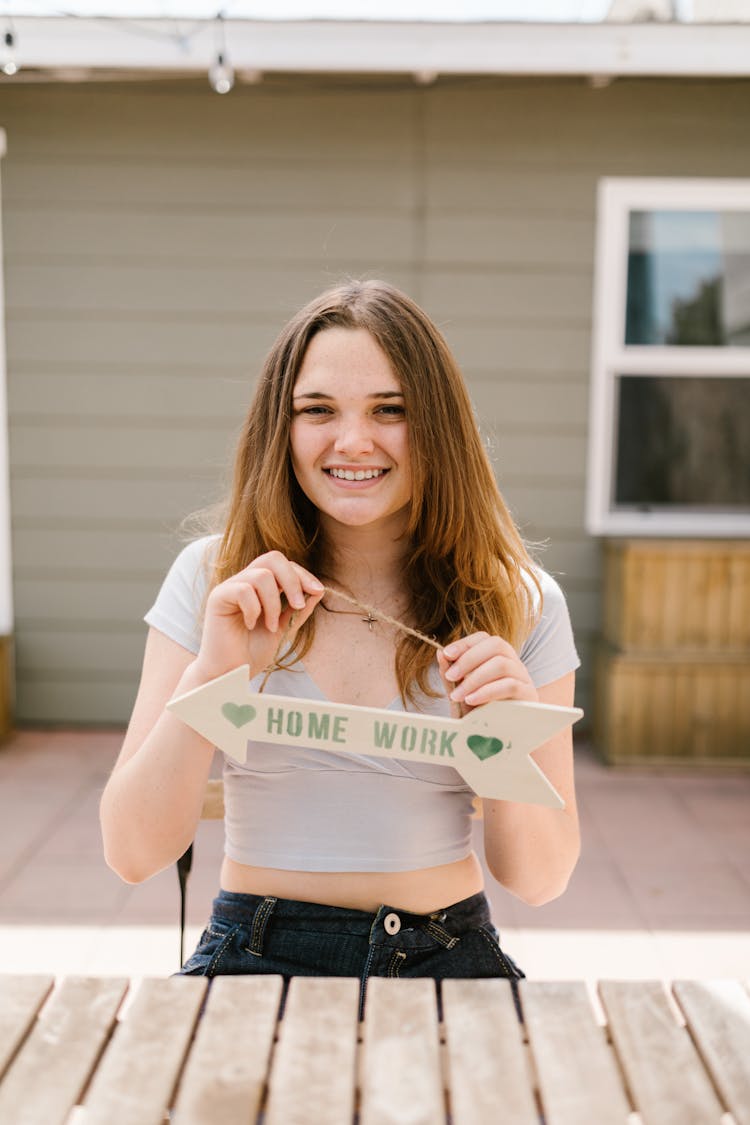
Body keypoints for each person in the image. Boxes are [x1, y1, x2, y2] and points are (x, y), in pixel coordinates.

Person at [100, 279, 580, 997]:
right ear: (281, 428)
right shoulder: (212, 580)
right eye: (317, 410)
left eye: (391, 410)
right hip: (250, 955)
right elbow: (133, 851)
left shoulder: (519, 600)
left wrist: (505, 739)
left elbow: (540, 879)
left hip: (447, 957)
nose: (353, 441)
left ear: (439, 427)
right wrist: (214, 672)